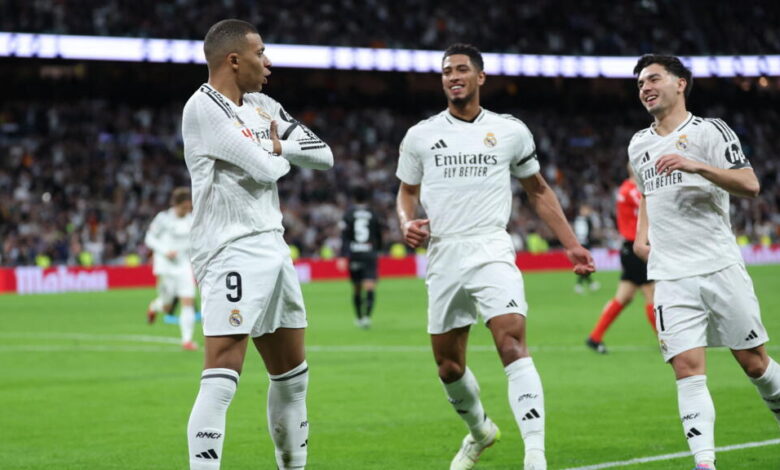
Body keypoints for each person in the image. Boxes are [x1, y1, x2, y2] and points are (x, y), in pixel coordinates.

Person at [395, 43, 595, 470]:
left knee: (511, 341)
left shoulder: (509, 131)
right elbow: (406, 192)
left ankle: (535, 456)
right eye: (447, 71)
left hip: (491, 246)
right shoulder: (420, 136)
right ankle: (481, 431)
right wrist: (405, 221)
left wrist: (570, 243)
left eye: (461, 69)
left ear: (480, 77)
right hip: (443, 251)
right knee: (449, 367)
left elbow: (538, 190)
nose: (453, 76)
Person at [181, 19, 333, 470]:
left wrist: (279, 146)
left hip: (273, 246)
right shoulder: (203, 108)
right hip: (230, 248)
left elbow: (324, 155)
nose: (268, 62)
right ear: (234, 60)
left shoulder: (264, 104)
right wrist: (279, 150)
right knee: (222, 376)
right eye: (260, 53)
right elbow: (266, 170)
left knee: (292, 378)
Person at [630, 54, 779, 470]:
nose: (645, 88)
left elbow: (749, 184)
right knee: (687, 369)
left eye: (653, 79)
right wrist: (641, 236)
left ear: (680, 84)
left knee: (754, 362)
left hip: (718, 266)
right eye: (640, 83)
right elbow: (646, 194)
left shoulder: (710, 131)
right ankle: (705, 463)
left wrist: (695, 165)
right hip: (670, 274)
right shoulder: (638, 144)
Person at [586, 165, 655, 354]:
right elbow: (650, 206)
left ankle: (595, 337)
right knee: (651, 294)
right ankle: (667, 341)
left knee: (624, 297)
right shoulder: (631, 191)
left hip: (630, 248)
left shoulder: (625, 189)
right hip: (635, 248)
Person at [144, 187, 198, 350]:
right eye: (184, 207)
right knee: (167, 306)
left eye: (188, 207)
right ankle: (154, 306)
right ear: (176, 204)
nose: (186, 210)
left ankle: (187, 340)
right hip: (165, 267)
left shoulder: (191, 220)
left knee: (188, 300)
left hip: (183, 265)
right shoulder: (163, 219)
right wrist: (165, 251)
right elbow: (149, 238)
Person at [338, 186, 383, 328]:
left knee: (357, 287)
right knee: (370, 286)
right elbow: (378, 234)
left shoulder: (349, 213)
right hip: (370, 253)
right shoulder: (373, 213)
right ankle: (367, 318)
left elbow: (344, 236)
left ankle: (358, 317)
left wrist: (342, 256)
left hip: (354, 254)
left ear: (354, 198)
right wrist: (378, 250)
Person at [572, 204, 600, 293]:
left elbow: (591, 231)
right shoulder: (579, 220)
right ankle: (581, 284)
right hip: (581, 244)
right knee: (585, 264)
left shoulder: (587, 220)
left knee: (585, 264)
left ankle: (589, 284)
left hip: (586, 243)